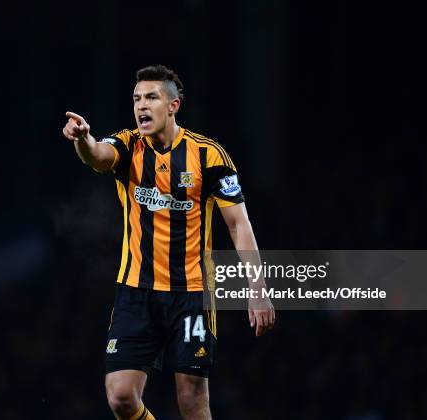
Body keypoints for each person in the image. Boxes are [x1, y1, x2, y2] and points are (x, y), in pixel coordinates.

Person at [62, 65, 275, 420]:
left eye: (151, 97)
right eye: (136, 98)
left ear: (173, 106)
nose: (141, 105)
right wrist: (83, 139)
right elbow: (98, 156)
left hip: (190, 294)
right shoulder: (129, 145)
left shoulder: (208, 155)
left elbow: (239, 225)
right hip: (136, 293)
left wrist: (257, 288)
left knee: (191, 401)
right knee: (120, 397)